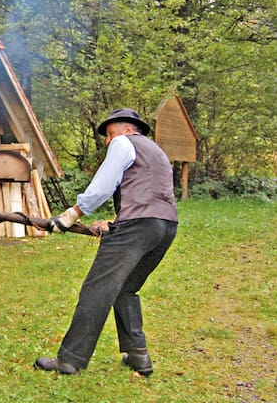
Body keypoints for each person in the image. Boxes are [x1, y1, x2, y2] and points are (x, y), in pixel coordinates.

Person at [34, 108, 177, 377]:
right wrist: (115, 222)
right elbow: (148, 194)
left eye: (111, 134)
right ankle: (138, 356)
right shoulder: (157, 152)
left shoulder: (125, 143)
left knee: (97, 289)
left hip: (138, 226)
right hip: (166, 226)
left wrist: (70, 215)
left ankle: (70, 360)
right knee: (126, 288)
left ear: (128, 129)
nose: (109, 141)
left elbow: (102, 186)